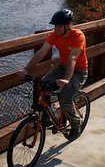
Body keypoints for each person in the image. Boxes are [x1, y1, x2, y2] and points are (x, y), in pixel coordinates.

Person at [18, 9, 89, 140]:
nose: (56, 28)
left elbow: (73, 58)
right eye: (55, 26)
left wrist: (67, 79)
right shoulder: (54, 35)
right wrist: (26, 69)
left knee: (64, 97)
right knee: (43, 84)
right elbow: (41, 52)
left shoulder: (78, 36)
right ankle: (46, 118)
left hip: (79, 70)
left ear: (68, 26)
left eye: (59, 26)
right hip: (63, 67)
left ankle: (76, 123)